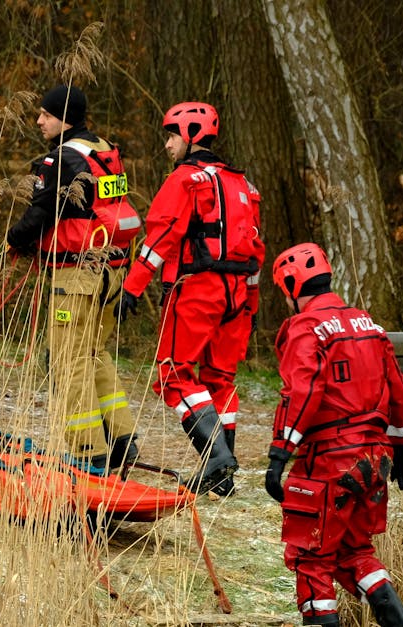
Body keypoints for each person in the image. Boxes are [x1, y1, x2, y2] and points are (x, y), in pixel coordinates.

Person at [112, 101, 264, 495]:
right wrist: (251, 303)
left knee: (172, 374)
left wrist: (132, 286)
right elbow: (256, 249)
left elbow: (162, 236)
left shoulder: (186, 180)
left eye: (172, 136)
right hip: (237, 295)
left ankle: (216, 458)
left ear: (192, 135)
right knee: (219, 379)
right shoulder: (242, 184)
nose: (167, 145)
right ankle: (223, 478)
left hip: (197, 290)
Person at [267, 242, 403, 627]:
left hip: (329, 458)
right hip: (375, 456)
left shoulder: (306, 327)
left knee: (310, 558)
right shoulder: (368, 323)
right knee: (355, 551)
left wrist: (279, 453)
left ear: (289, 285)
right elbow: (401, 389)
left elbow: (301, 391)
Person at [4, 85, 142, 474]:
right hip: (112, 271)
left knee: (66, 362)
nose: (39, 121)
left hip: (76, 276)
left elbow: (41, 212)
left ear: (65, 117)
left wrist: (12, 240)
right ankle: (122, 439)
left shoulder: (62, 158)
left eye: (46, 114)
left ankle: (88, 452)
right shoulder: (104, 150)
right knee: (93, 354)